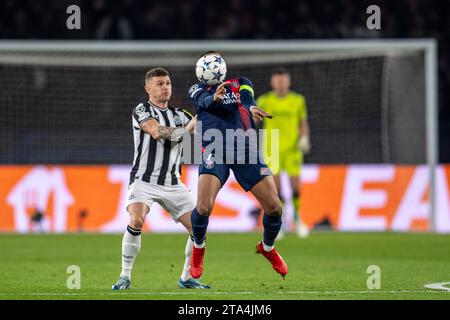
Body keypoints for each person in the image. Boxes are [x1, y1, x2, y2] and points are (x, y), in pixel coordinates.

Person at [187, 51, 288, 280]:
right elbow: (203, 101)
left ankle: (268, 248)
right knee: (203, 207)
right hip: (214, 148)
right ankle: (199, 248)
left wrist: (251, 108)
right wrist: (214, 99)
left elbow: (247, 98)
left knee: (274, 207)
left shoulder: (241, 83)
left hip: (245, 150)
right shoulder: (196, 90)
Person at [112, 67, 210, 290]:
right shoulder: (142, 109)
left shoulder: (181, 115)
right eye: (159, 84)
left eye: (168, 83)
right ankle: (124, 276)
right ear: (148, 88)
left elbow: (208, 131)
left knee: (199, 229)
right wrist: (187, 130)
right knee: (136, 220)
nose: (165, 87)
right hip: (143, 181)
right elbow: (156, 132)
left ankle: (186, 278)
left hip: (173, 183)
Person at [257, 68, 311, 238]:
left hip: (293, 149)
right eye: (278, 81)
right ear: (273, 83)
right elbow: (252, 121)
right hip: (272, 148)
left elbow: (303, 123)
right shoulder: (264, 100)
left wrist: (305, 138)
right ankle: (278, 224)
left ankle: (297, 220)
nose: (281, 84)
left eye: (283, 81)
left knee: (295, 187)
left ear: (288, 82)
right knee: (276, 189)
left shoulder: (298, 100)